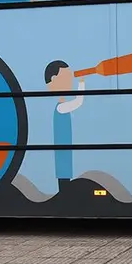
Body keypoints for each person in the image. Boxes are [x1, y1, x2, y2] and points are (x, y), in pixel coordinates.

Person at [44, 60, 85, 191]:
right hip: (63, 151)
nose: (70, 81)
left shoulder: (60, 107)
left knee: (64, 174)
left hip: (65, 149)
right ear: (54, 80)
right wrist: (82, 84)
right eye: (67, 78)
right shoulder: (61, 107)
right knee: (64, 175)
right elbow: (78, 102)